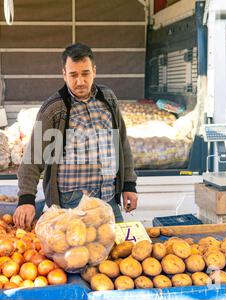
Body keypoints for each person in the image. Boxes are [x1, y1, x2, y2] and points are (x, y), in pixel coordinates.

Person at [13, 43, 138, 229]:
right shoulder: (56, 109)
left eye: (85, 73)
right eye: (73, 75)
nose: (80, 81)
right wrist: (26, 198)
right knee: (78, 254)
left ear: (94, 71)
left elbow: (121, 144)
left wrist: (129, 185)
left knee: (117, 251)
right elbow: (34, 156)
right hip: (73, 201)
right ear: (64, 74)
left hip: (108, 197)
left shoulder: (108, 99)